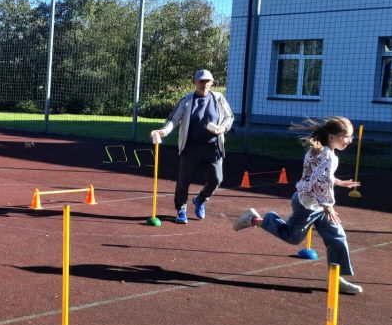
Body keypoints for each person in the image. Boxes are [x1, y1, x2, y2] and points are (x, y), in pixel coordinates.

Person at [233, 117, 363, 294]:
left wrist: (339, 182)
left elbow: (321, 175)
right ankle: (255, 220)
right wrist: (327, 205)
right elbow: (318, 181)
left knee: (337, 237)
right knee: (292, 237)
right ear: (332, 137)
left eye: (351, 137)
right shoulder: (327, 156)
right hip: (307, 205)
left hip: (317, 204)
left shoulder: (320, 151)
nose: (350, 140)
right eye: (346, 136)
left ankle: (336, 279)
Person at [150, 69, 235, 224]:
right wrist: (163, 131)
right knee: (184, 180)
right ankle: (181, 209)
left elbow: (229, 117)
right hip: (191, 147)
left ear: (212, 82)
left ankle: (200, 199)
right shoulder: (187, 100)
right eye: (201, 81)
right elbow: (173, 119)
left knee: (217, 179)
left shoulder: (219, 98)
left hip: (213, 147)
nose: (204, 84)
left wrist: (222, 128)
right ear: (194, 81)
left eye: (207, 81)